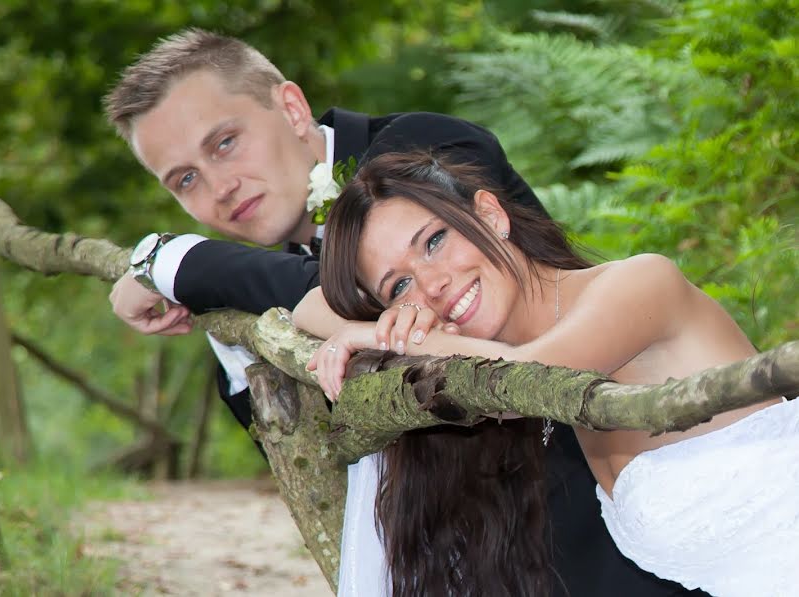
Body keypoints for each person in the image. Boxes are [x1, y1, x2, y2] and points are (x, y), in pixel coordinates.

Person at [104, 28, 707, 596]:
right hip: (476, 546)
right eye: (184, 179)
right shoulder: (276, 276)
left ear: (291, 108)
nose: (219, 186)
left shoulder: (427, 147)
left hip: (598, 513)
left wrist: (175, 261)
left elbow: (330, 291)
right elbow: (310, 461)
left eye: (225, 143)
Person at [296, 151, 799, 597]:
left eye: (434, 241)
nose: (432, 284)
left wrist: (385, 337)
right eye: (400, 285)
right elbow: (307, 307)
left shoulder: (640, 283)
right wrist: (369, 325)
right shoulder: (524, 344)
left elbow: (528, 380)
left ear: (491, 215)